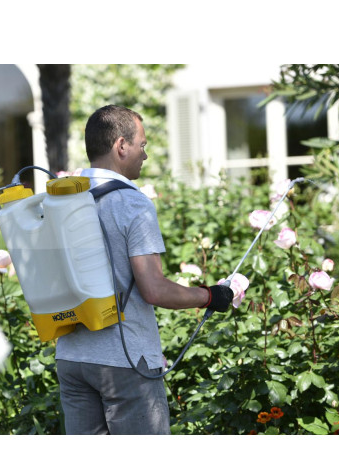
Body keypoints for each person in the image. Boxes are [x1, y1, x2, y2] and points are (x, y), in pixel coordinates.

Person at [55, 105, 234, 435]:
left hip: (72, 357)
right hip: (125, 361)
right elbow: (154, 289)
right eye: (143, 145)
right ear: (121, 146)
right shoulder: (132, 203)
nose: (145, 155)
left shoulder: (61, 199)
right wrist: (211, 296)